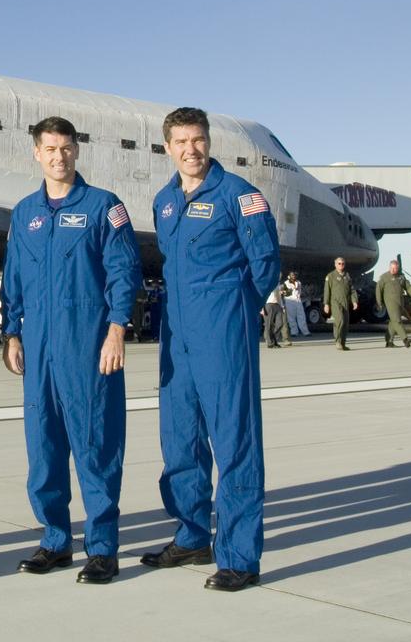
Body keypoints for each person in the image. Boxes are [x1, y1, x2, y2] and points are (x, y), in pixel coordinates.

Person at [0, 116, 142, 585]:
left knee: (95, 443)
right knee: (43, 446)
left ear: (76, 151)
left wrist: (117, 330)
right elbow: (15, 277)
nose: (58, 156)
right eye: (50, 148)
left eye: (66, 148)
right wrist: (13, 333)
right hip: (37, 345)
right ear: (36, 154)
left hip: (88, 344)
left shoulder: (105, 207)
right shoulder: (24, 213)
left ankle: (102, 547)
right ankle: (55, 540)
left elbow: (124, 273)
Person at [144, 107, 280, 592]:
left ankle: (240, 556)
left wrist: (235, 312)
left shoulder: (240, 197)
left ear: (209, 142)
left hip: (223, 332)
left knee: (234, 442)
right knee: (179, 440)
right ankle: (192, 534)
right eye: (181, 142)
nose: (191, 150)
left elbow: (265, 264)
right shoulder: (163, 201)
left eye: (198, 140)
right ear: (168, 147)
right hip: (177, 336)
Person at [376, 259, 411, 349]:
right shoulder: (384, 277)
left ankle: (389, 341)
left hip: (400, 302)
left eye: (396, 268)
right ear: (389, 267)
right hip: (390, 302)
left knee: (393, 321)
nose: (394, 270)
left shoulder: (401, 277)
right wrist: (379, 302)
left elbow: (408, 286)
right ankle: (405, 339)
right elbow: (378, 290)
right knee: (397, 321)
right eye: (392, 268)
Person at [323, 256, 358, 351]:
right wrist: (326, 304)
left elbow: (352, 289)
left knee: (346, 323)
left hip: (345, 302)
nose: (341, 265)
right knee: (340, 320)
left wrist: (354, 301)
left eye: (343, 263)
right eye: (339, 263)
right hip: (335, 302)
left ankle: (343, 343)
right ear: (335, 265)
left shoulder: (347, 275)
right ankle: (338, 341)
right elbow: (327, 291)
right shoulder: (331, 276)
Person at [281, 271, 309, 339]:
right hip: (289, 301)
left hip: (298, 301)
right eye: (292, 275)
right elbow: (283, 293)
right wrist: (289, 291)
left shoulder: (298, 282)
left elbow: (299, 291)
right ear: (289, 276)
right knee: (291, 317)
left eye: (294, 275)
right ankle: (294, 332)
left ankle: (305, 331)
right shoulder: (286, 283)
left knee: (301, 316)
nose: (293, 276)